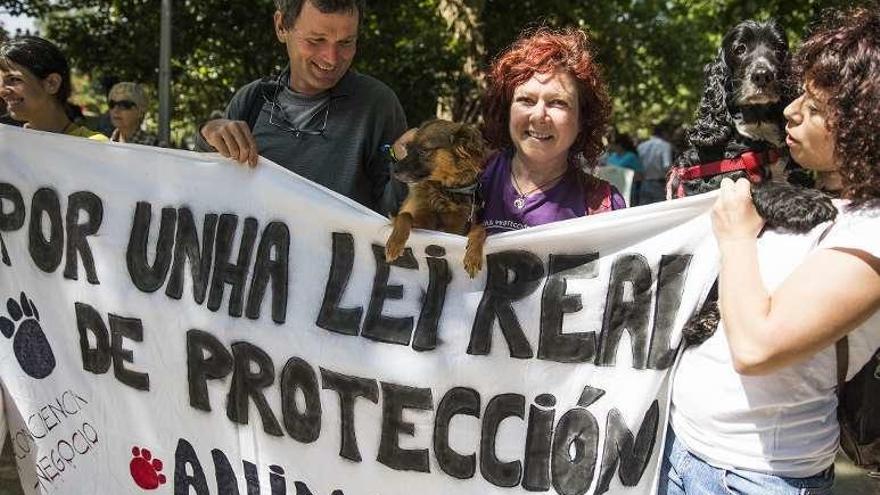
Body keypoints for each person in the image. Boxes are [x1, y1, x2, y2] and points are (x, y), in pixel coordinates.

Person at [660, 6, 880, 494]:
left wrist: (738, 234)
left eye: (815, 106)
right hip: (677, 452)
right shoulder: (804, 192)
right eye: (798, 92)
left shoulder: (869, 231)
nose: (789, 109)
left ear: (862, 126)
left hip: (759, 477)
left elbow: (757, 346)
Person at [194, 0, 407, 216]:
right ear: (281, 26)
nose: (331, 59)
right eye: (316, 40)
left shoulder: (378, 106)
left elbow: (393, 217)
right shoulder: (251, 101)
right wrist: (208, 137)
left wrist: (407, 163)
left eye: (346, 42)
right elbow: (208, 197)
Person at [477, 27, 625, 234]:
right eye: (526, 100)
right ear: (507, 110)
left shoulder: (604, 206)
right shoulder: (470, 178)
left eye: (558, 103)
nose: (539, 116)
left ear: (583, 118)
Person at [0, 36, 106, 140]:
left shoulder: (95, 146)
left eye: (14, 79)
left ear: (52, 83)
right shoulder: (9, 145)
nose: (2, 91)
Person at [636, 121, 672, 205]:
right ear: (664, 133)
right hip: (659, 184)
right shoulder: (665, 145)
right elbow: (666, 166)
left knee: (645, 211)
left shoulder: (641, 146)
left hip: (644, 184)